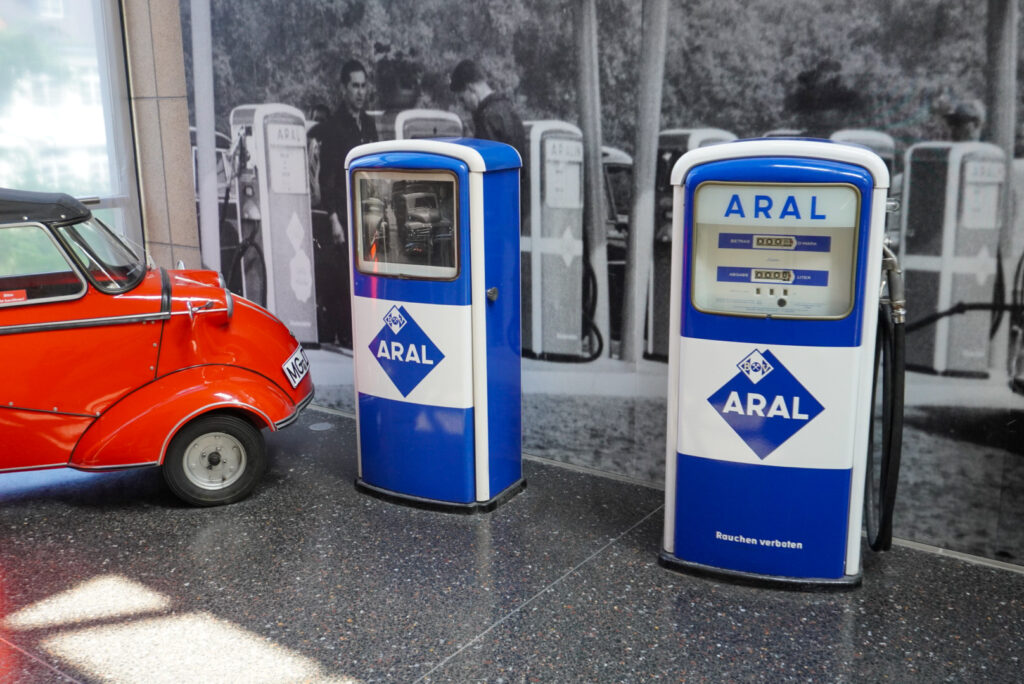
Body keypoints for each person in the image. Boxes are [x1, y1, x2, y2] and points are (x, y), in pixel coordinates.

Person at [308, 60, 378, 349]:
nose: (360, 92)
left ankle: (365, 329)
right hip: (345, 209)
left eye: (363, 86)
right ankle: (346, 333)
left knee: (368, 270)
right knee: (343, 273)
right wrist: (334, 218)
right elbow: (329, 178)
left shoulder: (370, 125)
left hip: (369, 210)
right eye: (355, 86)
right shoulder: (333, 127)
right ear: (344, 88)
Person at [449, 59, 525, 154]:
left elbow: (487, 163)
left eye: (462, 99)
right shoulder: (509, 108)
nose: (464, 106)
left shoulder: (486, 117)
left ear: (470, 88)